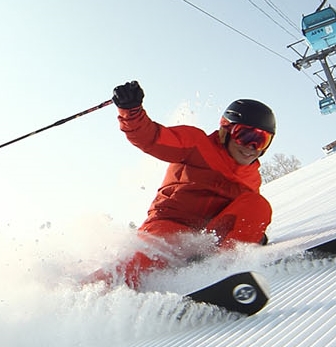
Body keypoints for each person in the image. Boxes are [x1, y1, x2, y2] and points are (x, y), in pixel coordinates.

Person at [108, 80, 275, 287]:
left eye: (261, 141)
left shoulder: (252, 178)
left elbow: (243, 215)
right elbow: (152, 138)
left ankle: (223, 268)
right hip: (167, 229)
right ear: (226, 130)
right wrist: (131, 111)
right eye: (245, 136)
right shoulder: (196, 144)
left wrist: (251, 235)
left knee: (258, 205)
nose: (251, 147)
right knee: (136, 266)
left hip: (207, 243)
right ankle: (89, 294)